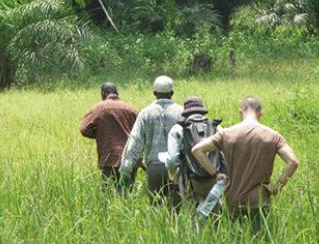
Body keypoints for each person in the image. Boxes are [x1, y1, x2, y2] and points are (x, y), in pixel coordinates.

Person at [192, 97, 299, 232]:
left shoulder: (226, 134)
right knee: (260, 238)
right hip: (259, 199)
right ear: (260, 113)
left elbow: (197, 150)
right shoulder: (273, 136)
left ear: (240, 111)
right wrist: (277, 187)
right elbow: (293, 162)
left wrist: (216, 173)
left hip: (233, 199)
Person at [118, 75, 183, 205]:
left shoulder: (146, 113)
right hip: (177, 168)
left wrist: (125, 172)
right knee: (176, 210)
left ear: (154, 93)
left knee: (156, 208)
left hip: (154, 167)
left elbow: (134, 143)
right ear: (172, 93)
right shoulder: (182, 112)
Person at [165, 96, 224, 208]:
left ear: (186, 113)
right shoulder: (217, 127)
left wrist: (173, 176)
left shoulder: (178, 129)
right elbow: (224, 156)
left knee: (193, 217)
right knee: (215, 215)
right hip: (215, 179)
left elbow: (172, 160)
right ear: (202, 111)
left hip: (188, 180)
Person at [80, 82, 139, 191]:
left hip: (110, 158)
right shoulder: (132, 109)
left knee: (109, 192)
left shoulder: (100, 108)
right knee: (127, 192)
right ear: (117, 93)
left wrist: (99, 133)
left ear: (103, 94)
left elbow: (84, 129)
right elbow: (141, 132)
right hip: (130, 157)